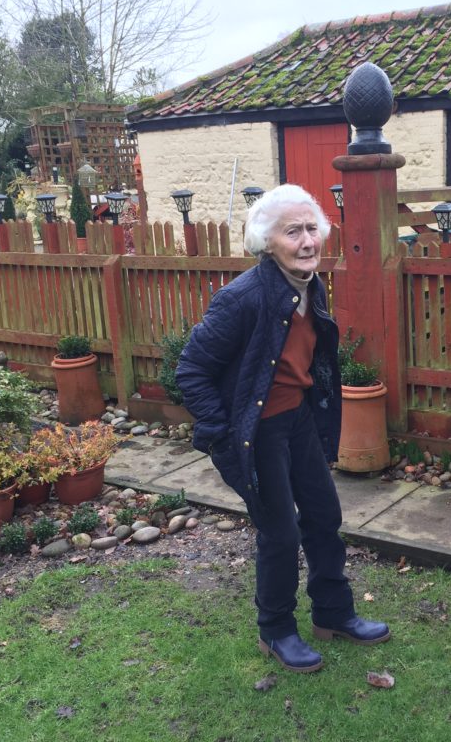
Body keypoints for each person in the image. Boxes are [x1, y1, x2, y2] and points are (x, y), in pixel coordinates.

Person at [175, 184, 390, 673]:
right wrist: (222, 431)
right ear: (266, 241)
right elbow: (191, 369)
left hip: (298, 421)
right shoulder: (242, 298)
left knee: (323, 515)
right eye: (293, 231)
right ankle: (275, 629)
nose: (307, 241)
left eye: (312, 228)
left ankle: (333, 614)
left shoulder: (310, 286)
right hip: (257, 431)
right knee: (280, 531)